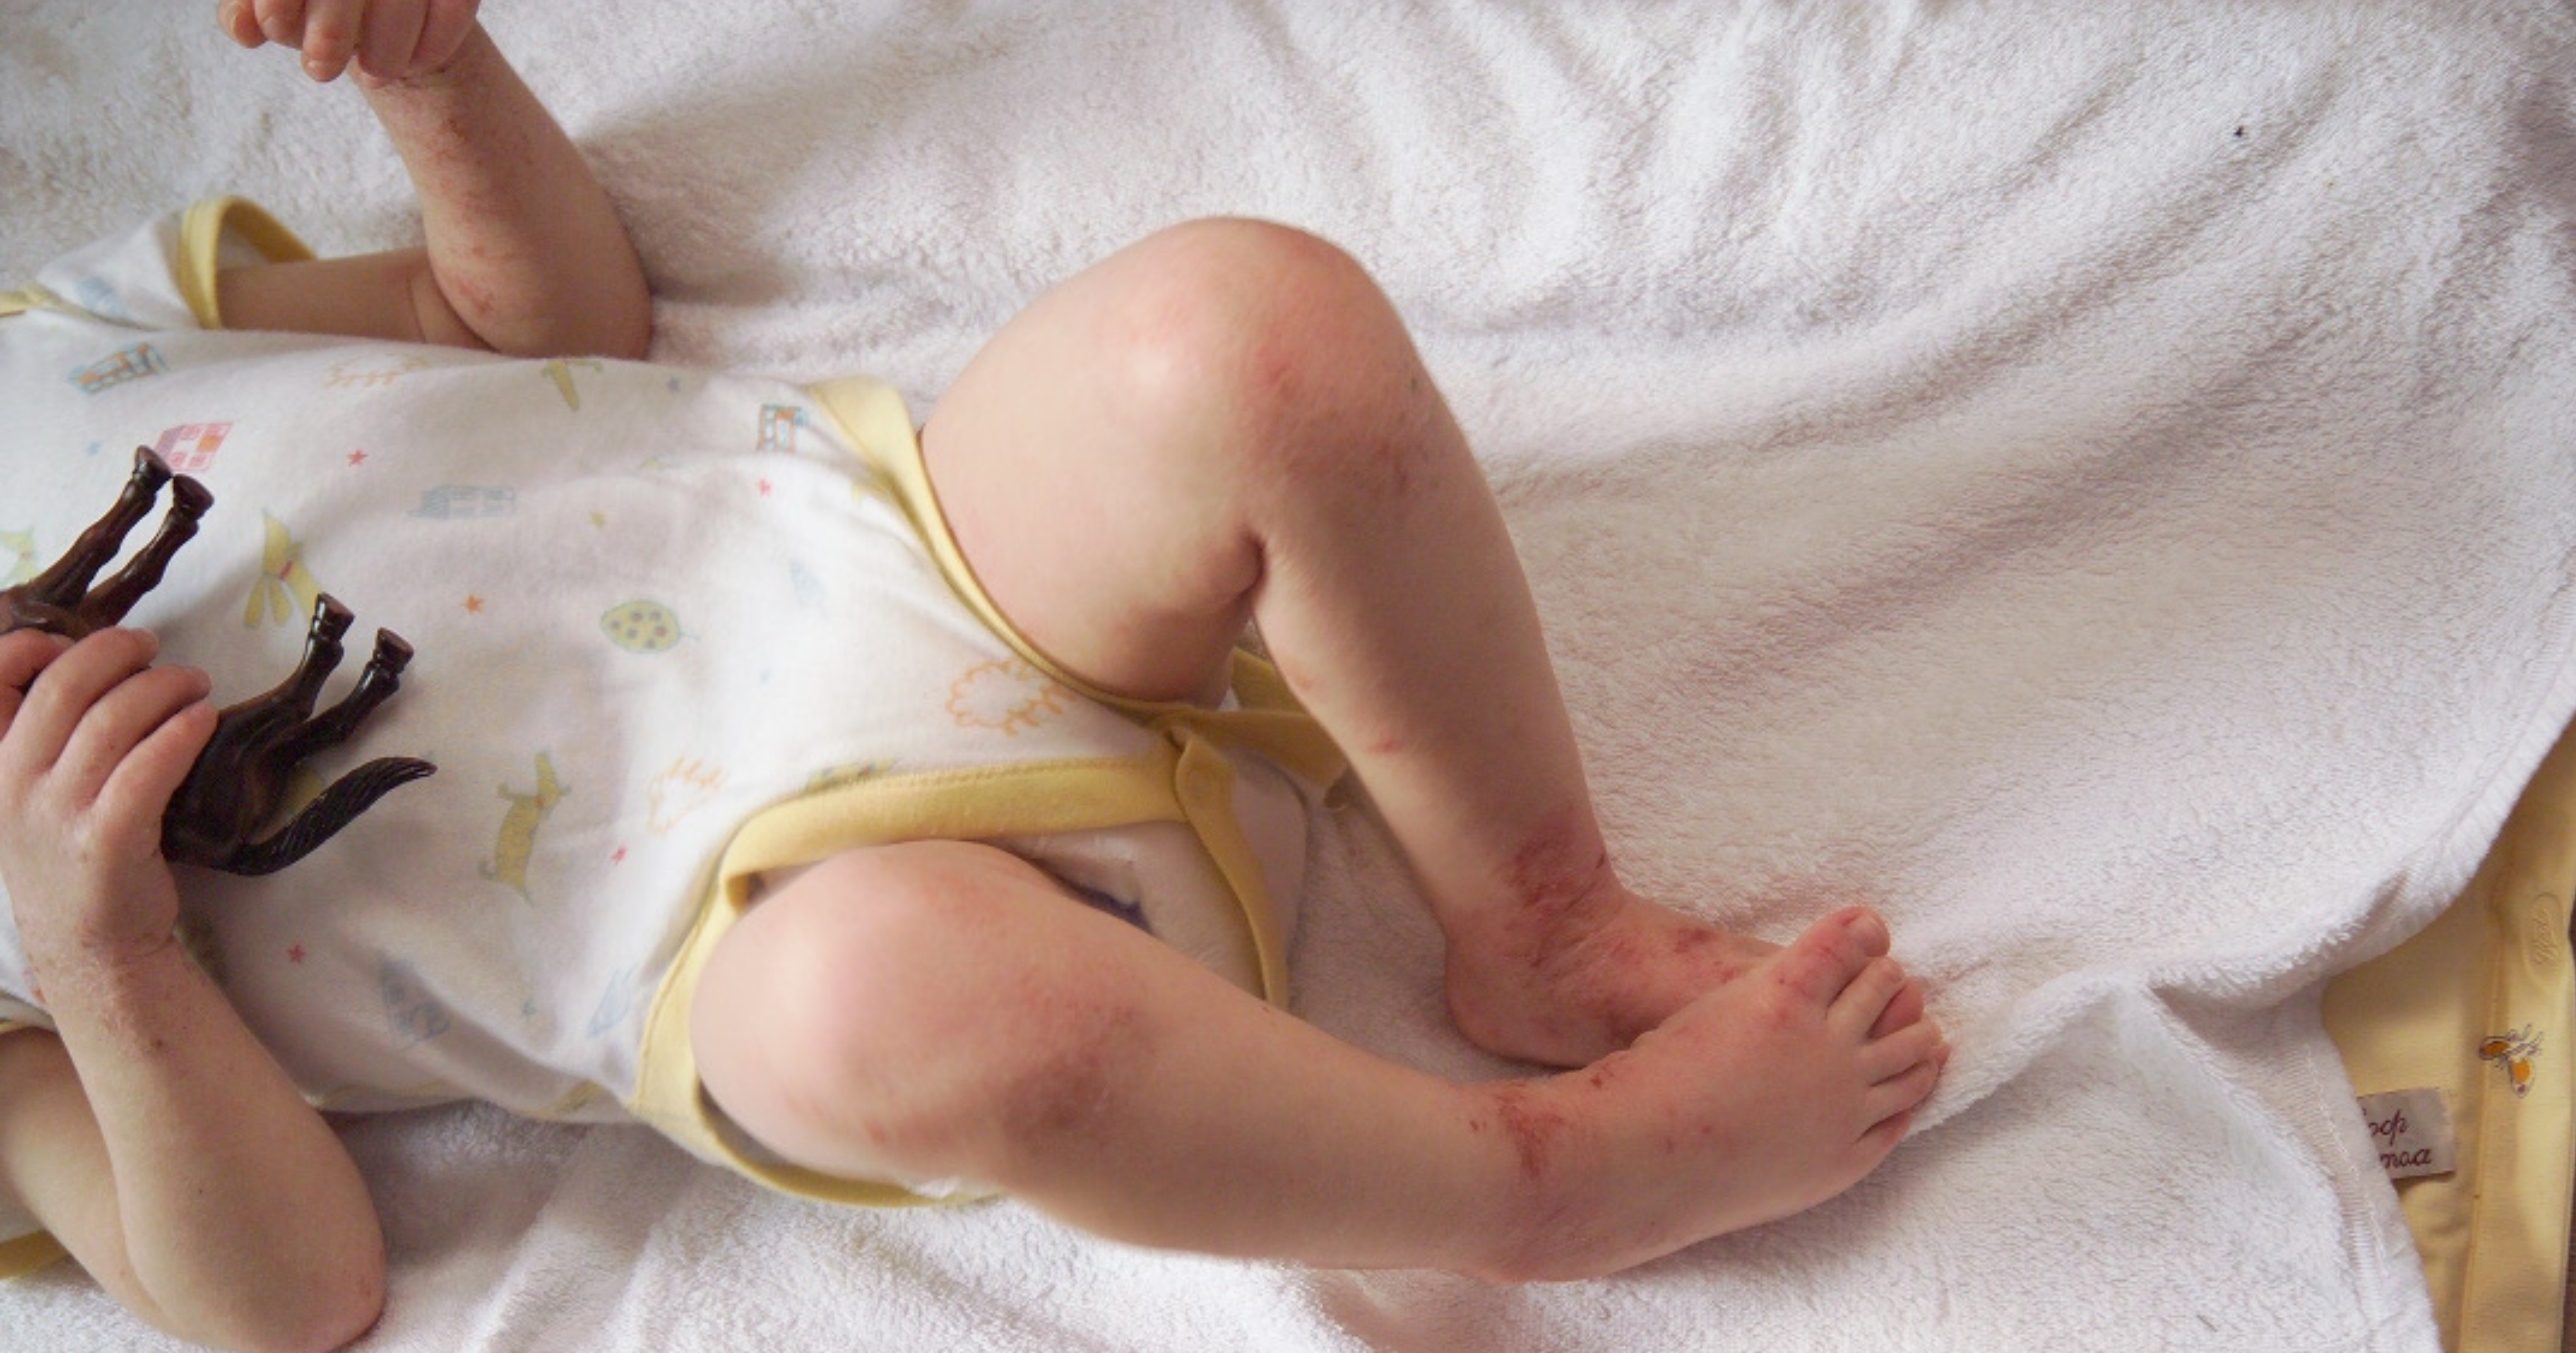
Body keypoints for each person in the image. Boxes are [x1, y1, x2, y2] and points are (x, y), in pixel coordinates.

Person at [0, 4, 1948, 1349]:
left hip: (892, 549)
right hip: (727, 928)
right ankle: (1554, 1191)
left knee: (1241, 330)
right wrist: (109, 959)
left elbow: (524, 320)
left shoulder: (50, 333)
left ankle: (1543, 922)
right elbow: (284, 1295)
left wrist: (438, 81)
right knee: (888, 995)